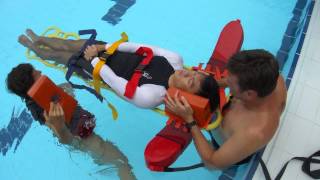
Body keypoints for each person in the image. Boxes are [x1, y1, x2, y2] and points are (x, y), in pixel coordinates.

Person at [18, 29, 220, 110]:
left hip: (98, 68)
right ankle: (39, 39)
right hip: (112, 51)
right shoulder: (175, 59)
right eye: (194, 72)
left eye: (190, 81)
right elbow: (139, 47)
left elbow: (117, 84)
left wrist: (95, 62)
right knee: (70, 44)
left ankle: (32, 46)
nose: (187, 73)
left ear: (184, 95)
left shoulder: (153, 96)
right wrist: (102, 48)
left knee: (59, 56)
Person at [6, 63, 136, 180]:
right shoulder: (45, 113)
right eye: (36, 73)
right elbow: (66, 139)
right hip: (85, 139)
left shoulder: (41, 98)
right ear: (33, 86)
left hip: (83, 129)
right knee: (121, 163)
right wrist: (60, 125)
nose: (40, 72)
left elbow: (66, 90)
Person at [166, 49, 287, 168]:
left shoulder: (253, 132)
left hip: (232, 146)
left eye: (230, 80)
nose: (226, 80)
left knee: (210, 166)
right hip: (233, 124)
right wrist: (207, 83)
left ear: (249, 94)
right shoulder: (271, 77)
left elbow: (212, 162)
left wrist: (190, 121)